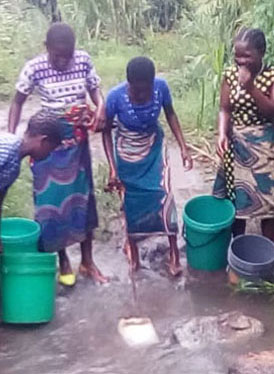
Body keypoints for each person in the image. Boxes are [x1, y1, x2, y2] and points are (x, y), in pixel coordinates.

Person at [8, 22, 107, 286]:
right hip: (47, 146)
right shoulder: (34, 67)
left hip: (77, 144)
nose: (64, 61)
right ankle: (63, 259)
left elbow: (95, 89)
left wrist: (100, 106)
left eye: (68, 55)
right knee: (53, 206)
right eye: (57, 55)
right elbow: (17, 102)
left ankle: (87, 261)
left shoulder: (83, 60)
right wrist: (12, 137)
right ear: (47, 48)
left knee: (83, 201)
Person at [103, 56, 192, 276]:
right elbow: (105, 131)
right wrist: (113, 168)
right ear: (129, 84)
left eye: (146, 90)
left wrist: (183, 147)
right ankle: (132, 250)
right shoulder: (115, 97)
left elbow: (170, 114)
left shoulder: (161, 87)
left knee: (164, 194)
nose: (142, 95)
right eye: (137, 91)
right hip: (126, 152)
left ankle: (174, 252)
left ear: (153, 83)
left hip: (154, 147)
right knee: (131, 201)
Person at [213, 28, 274, 239]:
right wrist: (222, 133)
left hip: (265, 150)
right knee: (235, 199)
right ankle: (238, 248)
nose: (240, 61)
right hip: (236, 147)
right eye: (237, 56)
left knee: (269, 204)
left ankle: (267, 255)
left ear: (261, 52)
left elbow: (272, 112)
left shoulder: (271, 76)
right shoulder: (230, 75)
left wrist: (251, 88)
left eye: (246, 56)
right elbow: (225, 109)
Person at [0, 110, 62, 250]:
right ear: (43, 141)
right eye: (50, 149)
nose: (49, 155)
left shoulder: (14, 166)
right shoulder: (6, 150)